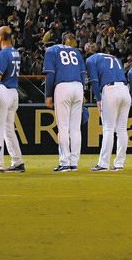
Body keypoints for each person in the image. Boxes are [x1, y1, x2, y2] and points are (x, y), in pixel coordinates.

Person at [43, 32, 85, 172]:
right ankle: (74, 162)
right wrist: (83, 91)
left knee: (63, 127)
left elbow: (50, 74)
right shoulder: (76, 52)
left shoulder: (52, 50)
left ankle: (64, 162)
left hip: (63, 86)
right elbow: (82, 74)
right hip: (78, 86)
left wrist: (48, 94)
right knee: (75, 127)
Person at [86, 50, 129, 171]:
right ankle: (119, 163)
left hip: (110, 90)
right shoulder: (113, 57)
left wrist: (98, 99)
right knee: (121, 129)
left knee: (108, 129)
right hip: (125, 90)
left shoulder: (91, 59)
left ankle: (103, 164)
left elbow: (94, 80)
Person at [0, 27, 25, 172]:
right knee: (8, 130)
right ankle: (18, 162)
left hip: (4, 92)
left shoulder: (3, 54)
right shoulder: (15, 52)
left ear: (0, 37)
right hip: (14, 92)